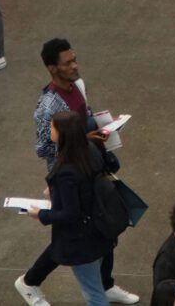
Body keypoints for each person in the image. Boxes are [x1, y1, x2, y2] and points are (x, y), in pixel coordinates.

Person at [34, 110, 123, 306]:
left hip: (81, 242)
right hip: (101, 229)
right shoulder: (91, 148)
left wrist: (41, 214)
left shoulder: (65, 170)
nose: (50, 129)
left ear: (62, 133)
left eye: (52, 126)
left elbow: (70, 213)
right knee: (97, 285)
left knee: (94, 295)